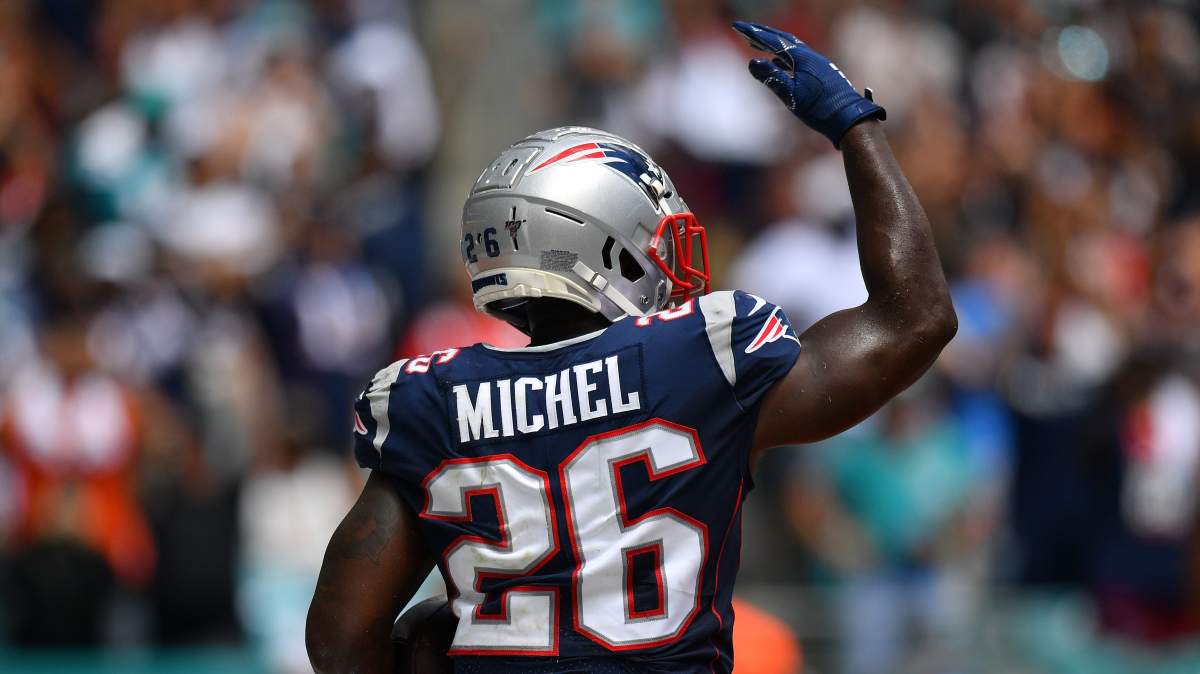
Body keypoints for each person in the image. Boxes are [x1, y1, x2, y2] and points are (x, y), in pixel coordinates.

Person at [306, 22, 957, 674]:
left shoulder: (431, 401)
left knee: (425, 635)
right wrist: (855, 125)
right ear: (604, 246)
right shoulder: (698, 358)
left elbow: (341, 639)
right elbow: (915, 318)